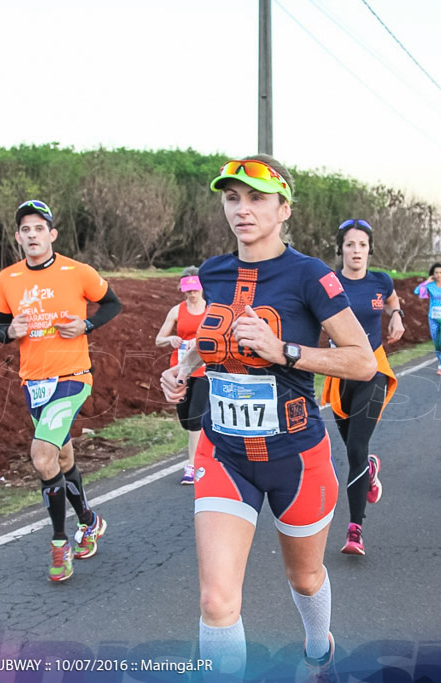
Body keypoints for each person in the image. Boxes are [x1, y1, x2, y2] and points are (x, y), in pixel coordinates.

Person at [159, 156, 375, 679]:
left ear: (284, 210)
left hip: (295, 456)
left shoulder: (309, 275)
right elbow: (214, 335)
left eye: (256, 198)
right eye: (233, 198)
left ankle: (318, 648)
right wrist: (186, 367)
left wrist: (285, 352)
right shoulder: (213, 272)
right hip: (225, 452)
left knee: (304, 578)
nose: (242, 209)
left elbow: (362, 360)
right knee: (216, 602)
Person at [0, 199, 121, 582]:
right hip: (34, 381)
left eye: (39, 228)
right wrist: (9, 332)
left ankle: (60, 542)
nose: (32, 235)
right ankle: (89, 521)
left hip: (73, 376)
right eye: (25, 229)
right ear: (18, 237)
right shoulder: (7, 279)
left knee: (41, 456)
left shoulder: (77, 272)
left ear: (52, 234)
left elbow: (112, 304)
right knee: (61, 458)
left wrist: (87, 326)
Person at [321, 219, 402, 556]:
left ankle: (355, 530)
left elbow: (392, 299)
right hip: (339, 373)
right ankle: (369, 469)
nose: (357, 251)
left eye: (363, 245)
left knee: (355, 448)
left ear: (370, 249)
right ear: (340, 248)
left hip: (373, 369)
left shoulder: (381, 281)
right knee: (355, 451)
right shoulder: (327, 282)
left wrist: (396, 314)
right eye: (350, 245)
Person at [155, 266, 208, 484]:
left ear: (202, 288)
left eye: (195, 289)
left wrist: (202, 341)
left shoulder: (210, 308)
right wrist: (171, 340)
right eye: (188, 290)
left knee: (195, 419)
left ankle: (192, 466)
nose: (191, 293)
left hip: (205, 369)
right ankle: (206, 446)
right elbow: (159, 339)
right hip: (180, 369)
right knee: (187, 420)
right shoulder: (176, 311)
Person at [414, 262, 441, 374]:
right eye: (436, 272)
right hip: (433, 317)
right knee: (436, 342)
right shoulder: (430, 285)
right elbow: (417, 291)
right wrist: (427, 281)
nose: (438, 275)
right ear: (433, 274)